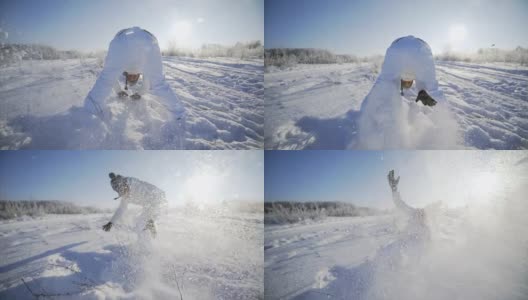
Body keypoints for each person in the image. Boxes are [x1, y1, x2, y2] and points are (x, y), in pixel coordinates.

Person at [84, 27, 185, 121]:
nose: (132, 76)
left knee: (107, 78)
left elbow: (110, 77)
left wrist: (121, 91)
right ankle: (178, 114)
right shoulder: (140, 65)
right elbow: (146, 83)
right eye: (133, 77)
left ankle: (88, 110)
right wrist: (136, 93)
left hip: (124, 40)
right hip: (147, 40)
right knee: (158, 82)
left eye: (131, 77)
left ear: (127, 75)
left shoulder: (125, 63)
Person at [102, 172, 166, 237]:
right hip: (150, 204)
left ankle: (151, 239)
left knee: (142, 224)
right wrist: (111, 222)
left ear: (125, 184)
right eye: (119, 191)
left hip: (158, 198)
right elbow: (121, 209)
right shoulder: (125, 195)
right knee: (140, 225)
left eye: (122, 189)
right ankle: (147, 240)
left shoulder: (136, 185)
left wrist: (150, 218)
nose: (123, 192)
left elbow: (154, 199)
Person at [387, 170, 430, 241]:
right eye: (419, 214)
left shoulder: (426, 230)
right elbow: (400, 204)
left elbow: (430, 247)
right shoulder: (413, 214)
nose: (420, 216)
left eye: (422, 215)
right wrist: (394, 189)